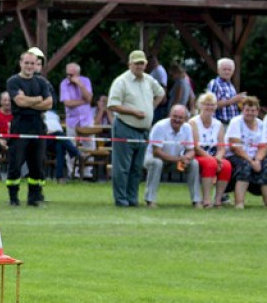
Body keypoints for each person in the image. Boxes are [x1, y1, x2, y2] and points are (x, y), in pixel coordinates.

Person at [107, 50, 165, 207]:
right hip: (125, 127)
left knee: (137, 168)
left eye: (142, 63)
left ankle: (132, 198)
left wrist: (151, 108)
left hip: (143, 130)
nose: (140, 66)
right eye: (137, 63)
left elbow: (161, 93)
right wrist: (133, 111)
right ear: (130, 64)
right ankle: (121, 199)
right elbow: (112, 105)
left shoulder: (149, 80)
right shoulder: (121, 81)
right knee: (122, 167)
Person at [5, 50, 54, 206]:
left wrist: (30, 101)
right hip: (20, 124)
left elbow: (49, 103)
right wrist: (39, 99)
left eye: (32, 63)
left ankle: (33, 197)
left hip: (37, 125)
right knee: (15, 163)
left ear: (36, 65)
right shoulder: (13, 81)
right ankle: (13, 198)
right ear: (20, 63)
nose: (29, 66)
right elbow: (19, 102)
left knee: (37, 164)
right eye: (26, 62)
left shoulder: (42, 82)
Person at [143, 105, 201, 208]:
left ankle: (196, 201)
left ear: (185, 119)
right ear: (170, 115)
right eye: (175, 116)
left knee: (194, 163)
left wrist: (187, 158)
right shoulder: (160, 126)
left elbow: (191, 150)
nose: (177, 119)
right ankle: (150, 200)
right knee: (157, 163)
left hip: (175, 160)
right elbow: (157, 152)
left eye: (180, 117)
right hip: (154, 159)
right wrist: (179, 159)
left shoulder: (187, 128)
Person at [226, 96, 267, 209]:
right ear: (242, 110)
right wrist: (251, 161)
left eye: (253, 110)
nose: (250, 113)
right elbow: (235, 147)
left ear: (258, 111)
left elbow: (263, 147)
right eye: (247, 110)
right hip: (235, 156)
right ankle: (239, 203)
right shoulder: (236, 122)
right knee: (245, 166)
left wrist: (258, 160)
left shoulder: (261, 124)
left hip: (255, 157)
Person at [190, 92, 232, 208]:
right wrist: (212, 159)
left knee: (226, 165)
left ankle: (218, 200)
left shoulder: (218, 124)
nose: (209, 107)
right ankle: (207, 200)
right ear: (200, 106)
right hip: (198, 155)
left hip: (214, 156)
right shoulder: (193, 122)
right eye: (206, 104)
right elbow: (195, 146)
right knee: (210, 164)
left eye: (212, 104)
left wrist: (218, 158)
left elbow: (222, 147)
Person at [59, 62, 94, 178]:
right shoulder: (64, 84)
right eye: (68, 74)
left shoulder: (85, 81)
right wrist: (83, 101)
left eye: (72, 75)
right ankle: (72, 173)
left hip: (86, 119)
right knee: (71, 146)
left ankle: (88, 173)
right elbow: (68, 103)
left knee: (89, 145)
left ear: (78, 74)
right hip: (72, 120)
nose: (69, 77)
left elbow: (89, 98)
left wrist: (80, 84)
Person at [44, 107, 81, 183]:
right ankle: (74, 151)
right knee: (60, 134)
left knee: (60, 146)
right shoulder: (39, 113)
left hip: (56, 139)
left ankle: (59, 176)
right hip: (45, 139)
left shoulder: (55, 115)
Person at [207, 58, 245, 126]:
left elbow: (232, 105)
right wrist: (233, 100)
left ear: (233, 71)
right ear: (218, 70)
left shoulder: (231, 85)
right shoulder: (215, 83)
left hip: (232, 124)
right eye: (224, 69)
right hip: (220, 123)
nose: (227, 72)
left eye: (229, 70)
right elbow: (210, 105)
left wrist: (240, 101)